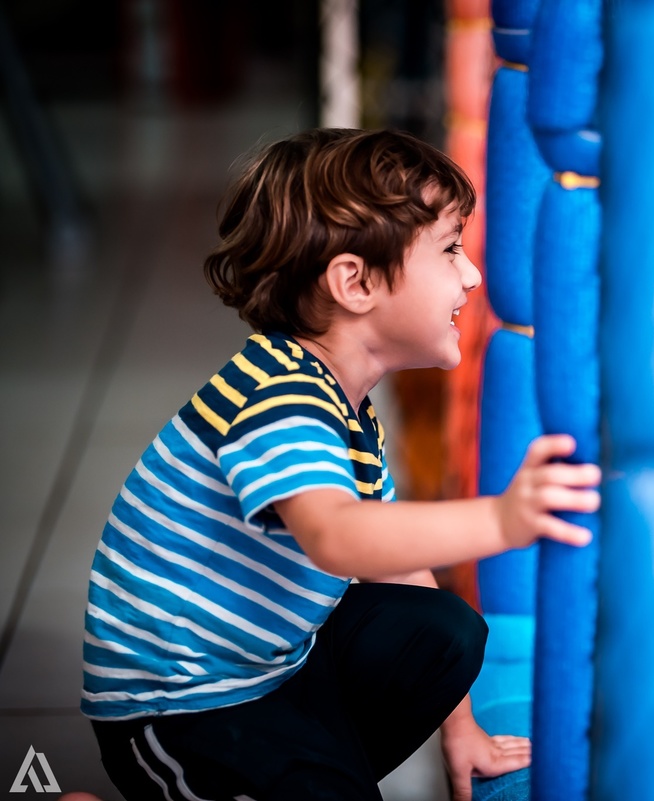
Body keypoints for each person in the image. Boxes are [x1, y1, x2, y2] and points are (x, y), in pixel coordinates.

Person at [80, 128, 600, 801]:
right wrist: (502, 519)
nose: (472, 275)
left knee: (447, 629)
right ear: (354, 282)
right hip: (181, 706)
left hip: (273, 668)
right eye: (449, 250)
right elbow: (338, 536)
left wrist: (459, 729)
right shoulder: (278, 395)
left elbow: (396, 562)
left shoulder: (342, 400)